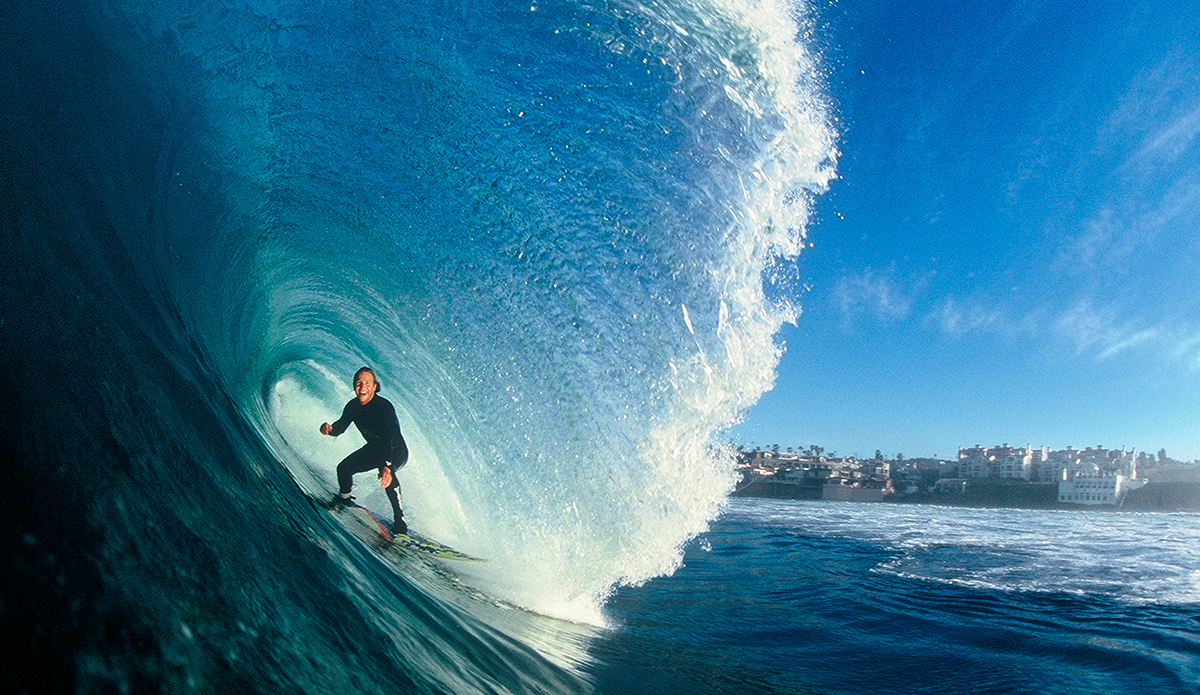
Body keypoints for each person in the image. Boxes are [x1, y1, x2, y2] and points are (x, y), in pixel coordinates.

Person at [319, 366, 409, 535]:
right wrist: (329, 430)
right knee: (344, 468)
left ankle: (400, 522)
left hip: (395, 451)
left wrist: (387, 466)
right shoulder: (353, 406)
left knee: (388, 477)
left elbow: (389, 436)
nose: (362, 387)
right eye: (359, 383)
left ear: (375, 386)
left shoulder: (384, 407)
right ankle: (343, 499)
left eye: (367, 383)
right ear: (354, 386)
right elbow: (340, 427)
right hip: (375, 449)